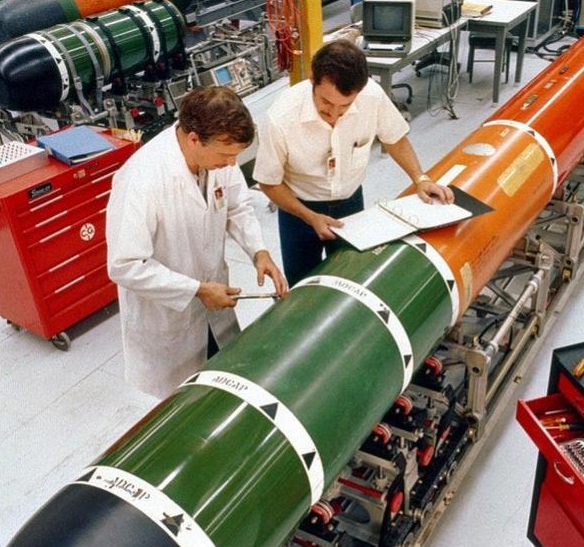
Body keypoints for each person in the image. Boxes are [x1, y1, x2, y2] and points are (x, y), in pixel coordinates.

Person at [106, 86, 287, 399]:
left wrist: (259, 250)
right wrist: (197, 289)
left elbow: (238, 205)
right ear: (193, 139)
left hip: (214, 304)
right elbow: (124, 265)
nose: (232, 165)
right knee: (184, 405)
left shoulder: (217, 159)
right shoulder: (142, 179)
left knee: (226, 383)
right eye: (225, 155)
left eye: (235, 156)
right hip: (169, 317)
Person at [253, 39, 453, 286]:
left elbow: (394, 138)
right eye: (326, 103)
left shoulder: (371, 96)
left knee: (352, 280)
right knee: (302, 287)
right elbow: (268, 182)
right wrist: (309, 216)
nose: (334, 114)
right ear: (312, 79)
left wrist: (420, 178)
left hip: (350, 205)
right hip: (298, 212)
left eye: (345, 106)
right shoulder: (281, 118)